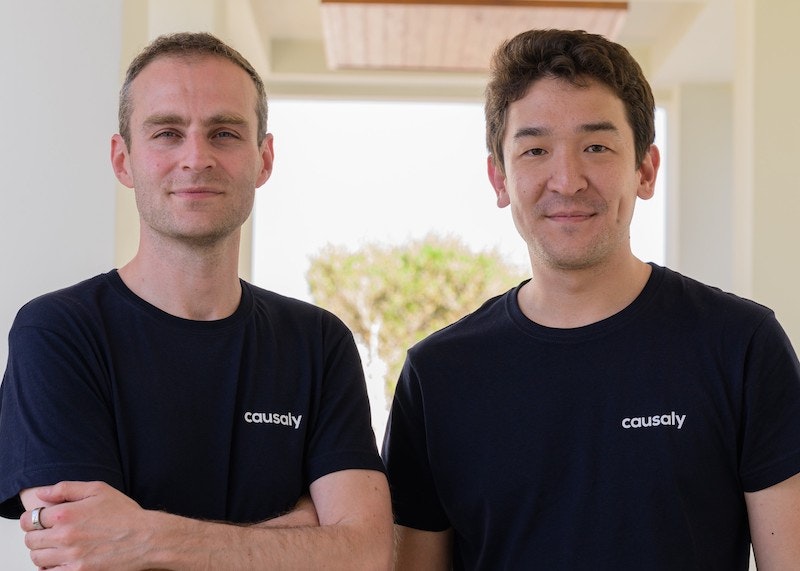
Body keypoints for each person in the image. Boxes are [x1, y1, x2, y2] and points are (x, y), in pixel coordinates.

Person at [381, 28, 800, 570]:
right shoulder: (437, 375)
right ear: (499, 177)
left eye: (596, 147)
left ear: (645, 169)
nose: (567, 180)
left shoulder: (740, 346)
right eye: (534, 149)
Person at [0, 32, 392, 569]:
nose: (196, 158)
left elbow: (367, 553)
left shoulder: (318, 342)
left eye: (224, 133)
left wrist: (143, 537)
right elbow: (81, 551)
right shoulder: (58, 332)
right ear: (123, 160)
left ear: (264, 158)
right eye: (166, 133)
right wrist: (306, 530)